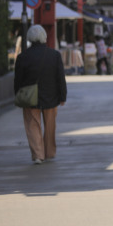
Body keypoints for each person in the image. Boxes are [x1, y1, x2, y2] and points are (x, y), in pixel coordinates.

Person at [13, 25, 68, 165]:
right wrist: (62, 96)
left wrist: (18, 95)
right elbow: (60, 78)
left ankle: (38, 155)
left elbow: (18, 80)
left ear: (29, 38)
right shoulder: (54, 55)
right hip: (51, 96)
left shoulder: (22, 57)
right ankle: (49, 152)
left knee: (32, 125)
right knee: (50, 126)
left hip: (30, 97)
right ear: (44, 37)